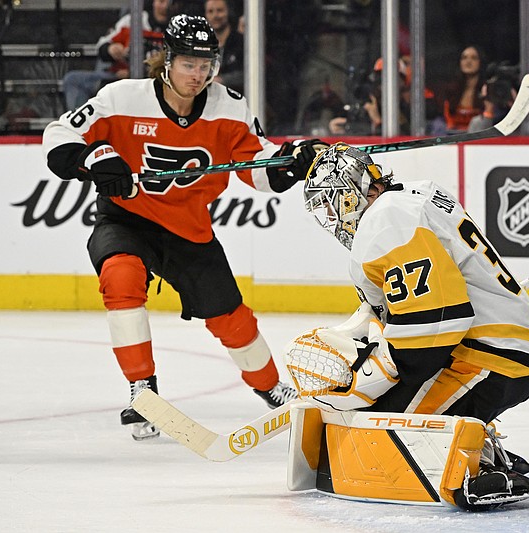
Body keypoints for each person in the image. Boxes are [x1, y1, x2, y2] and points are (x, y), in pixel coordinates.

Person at [42, 14, 325, 441]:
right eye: (188, 64)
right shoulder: (121, 97)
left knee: (231, 319)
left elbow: (261, 168)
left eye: (206, 64)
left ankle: (269, 387)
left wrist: (295, 159)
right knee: (121, 277)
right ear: (168, 61)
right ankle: (143, 392)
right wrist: (97, 158)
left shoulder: (229, 106)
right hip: (127, 218)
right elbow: (60, 133)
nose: (198, 75)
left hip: (189, 229)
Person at [296, 142, 529, 508]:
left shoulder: (386, 220)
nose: (333, 218)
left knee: (376, 437)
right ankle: (474, 435)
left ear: (358, 191)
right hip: (494, 345)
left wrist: (376, 375)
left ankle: (477, 462)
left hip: (493, 358)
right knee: (372, 422)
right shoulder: (417, 194)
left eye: (333, 202)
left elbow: (438, 321)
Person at [62, 0, 170, 111]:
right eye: (161, 1)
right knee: (73, 79)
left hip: (157, 83)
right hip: (117, 77)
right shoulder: (134, 20)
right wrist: (110, 49)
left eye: (169, 2)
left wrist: (134, 74)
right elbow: (102, 45)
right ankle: (83, 126)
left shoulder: (180, 29)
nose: (164, 6)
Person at [442, 45, 486, 132]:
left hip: (479, 140)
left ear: (480, 62)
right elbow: (447, 122)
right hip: (452, 137)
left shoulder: (486, 90)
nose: (468, 61)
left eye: (474, 58)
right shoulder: (451, 90)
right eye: (464, 58)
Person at [204, 0, 243, 93]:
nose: (215, 15)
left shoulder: (241, 42)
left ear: (228, 12)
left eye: (219, 10)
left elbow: (249, 74)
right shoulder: (202, 44)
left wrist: (221, 80)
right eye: (210, 11)